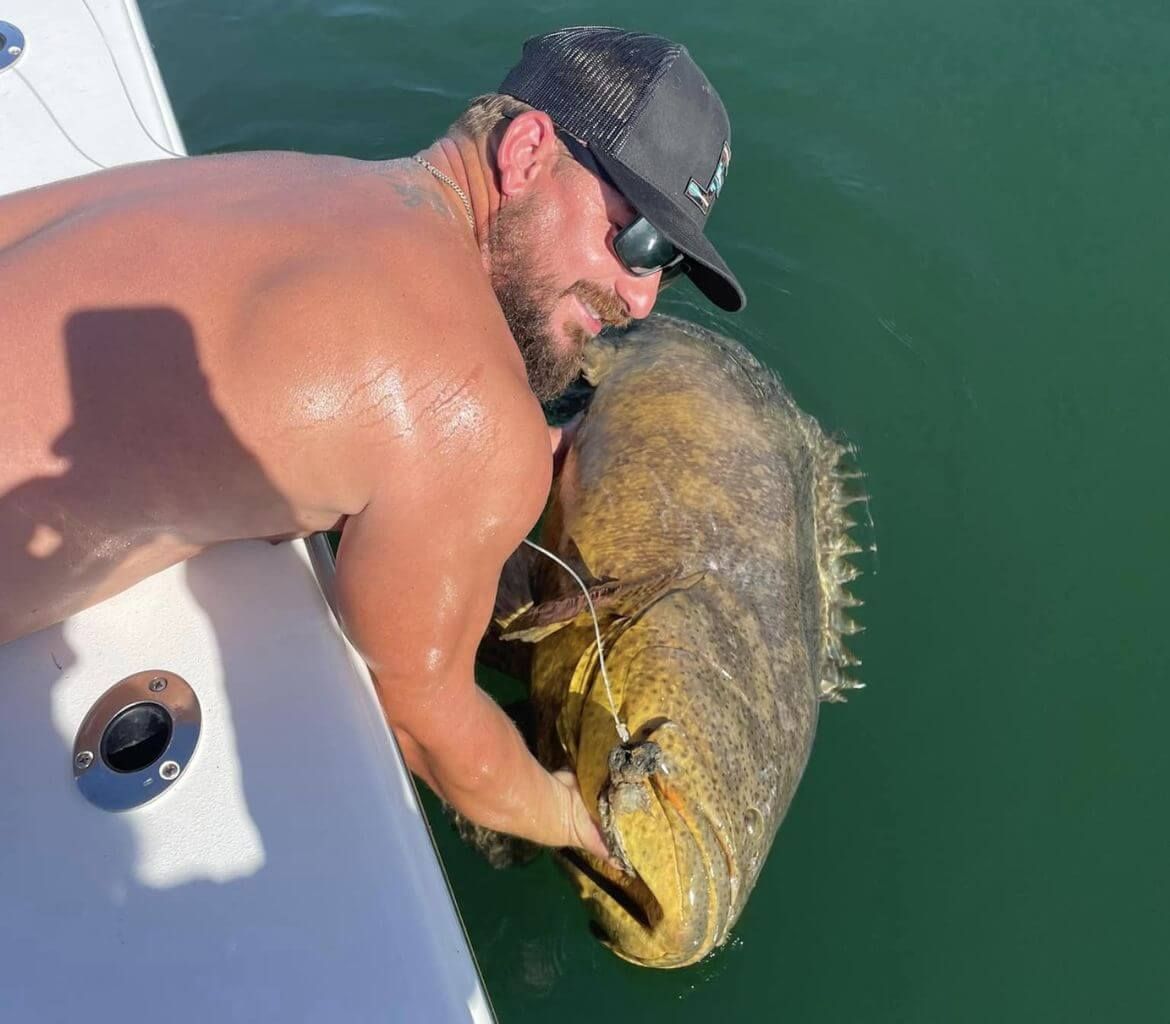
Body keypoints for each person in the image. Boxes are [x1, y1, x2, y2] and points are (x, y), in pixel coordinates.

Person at [0, 27, 743, 860]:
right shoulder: (469, 419)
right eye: (639, 241)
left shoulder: (289, 182)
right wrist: (574, 817)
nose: (642, 300)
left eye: (669, 267)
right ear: (529, 151)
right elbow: (426, 716)